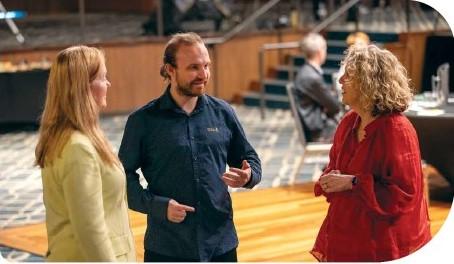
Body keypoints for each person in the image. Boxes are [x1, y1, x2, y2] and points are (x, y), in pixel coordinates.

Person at [119, 32, 262, 262]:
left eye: (207, 66)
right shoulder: (143, 121)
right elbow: (121, 178)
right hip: (167, 246)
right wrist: (158, 206)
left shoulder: (223, 112)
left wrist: (248, 175)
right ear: (170, 70)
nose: (203, 75)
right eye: (194, 67)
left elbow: (250, 159)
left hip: (220, 243)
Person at [311, 44, 431, 262]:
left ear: (368, 82)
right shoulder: (349, 122)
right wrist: (331, 179)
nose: (340, 81)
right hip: (348, 228)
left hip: (384, 239)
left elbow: (404, 194)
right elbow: (335, 167)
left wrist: (353, 182)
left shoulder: (397, 130)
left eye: (348, 76)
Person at [35, 46, 136, 262]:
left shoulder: (71, 138)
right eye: (103, 77)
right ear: (83, 86)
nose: (108, 84)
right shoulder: (77, 148)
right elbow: (90, 229)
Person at [294, 33, 341, 142]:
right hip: (317, 131)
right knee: (351, 132)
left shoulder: (306, 71)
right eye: (325, 49)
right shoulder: (311, 77)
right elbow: (335, 106)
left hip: (313, 125)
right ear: (320, 52)